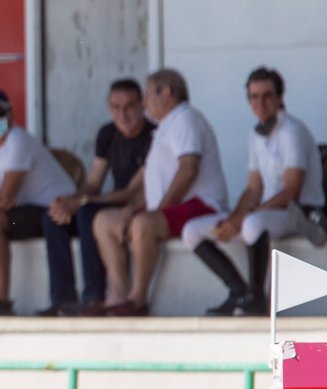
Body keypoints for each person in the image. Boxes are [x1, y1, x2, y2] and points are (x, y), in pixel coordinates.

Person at [186, 68, 326, 315]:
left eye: (267, 96)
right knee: (191, 231)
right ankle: (238, 292)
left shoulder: (292, 131)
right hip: (268, 214)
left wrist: (243, 218)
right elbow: (253, 188)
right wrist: (232, 220)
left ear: (280, 97)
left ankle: (257, 297)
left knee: (251, 224)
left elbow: (291, 192)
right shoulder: (255, 133)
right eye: (254, 97)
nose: (260, 103)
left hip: (300, 213)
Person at [91, 68, 230, 316]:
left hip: (202, 205)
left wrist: (158, 211)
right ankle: (117, 295)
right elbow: (155, 184)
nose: (144, 103)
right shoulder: (166, 125)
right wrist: (130, 211)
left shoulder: (185, 119)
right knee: (104, 221)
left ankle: (137, 299)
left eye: (147, 95)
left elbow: (188, 170)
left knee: (144, 224)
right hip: (172, 206)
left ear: (166, 93)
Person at [0, 89, 77, 315]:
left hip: (52, 208)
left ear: (10, 115)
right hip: (23, 209)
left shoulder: (19, 140)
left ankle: (2, 300)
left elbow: (6, 198)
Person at [50, 79, 156, 314]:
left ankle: (94, 296)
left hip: (134, 206)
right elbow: (93, 183)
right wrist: (69, 202)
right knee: (53, 219)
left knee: (87, 212)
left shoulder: (153, 136)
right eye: (116, 107)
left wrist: (83, 202)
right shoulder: (107, 133)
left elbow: (130, 192)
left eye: (129, 106)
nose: (123, 114)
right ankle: (62, 300)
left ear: (142, 105)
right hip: (110, 204)